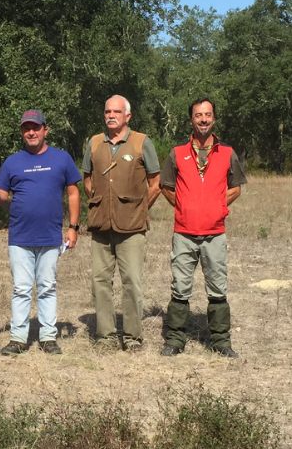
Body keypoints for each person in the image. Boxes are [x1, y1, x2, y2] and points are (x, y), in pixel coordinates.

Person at [0, 110, 81, 355]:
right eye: (26, 128)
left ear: (45, 130)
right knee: (21, 289)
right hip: (20, 237)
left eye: (35, 127)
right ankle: (18, 338)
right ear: (22, 133)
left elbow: (73, 193)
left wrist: (73, 227)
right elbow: (3, 196)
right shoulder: (13, 161)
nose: (31, 132)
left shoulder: (62, 158)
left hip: (50, 236)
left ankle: (48, 337)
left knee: (47, 287)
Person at [159, 97, 247, 358]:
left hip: (214, 233)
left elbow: (236, 187)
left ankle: (221, 342)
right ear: (191, 120)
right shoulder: (177, 153)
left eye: (208, 115)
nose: (203, 119)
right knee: (180, 289)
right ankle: (175, 340)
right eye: (198, 115)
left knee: (218, 288)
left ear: (214, 118)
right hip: (184, 233)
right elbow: (165, 186)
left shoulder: (227, 153)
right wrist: (184, 206)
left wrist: (219, 205)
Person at [82, 95, 161, 351]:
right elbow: (87, 180)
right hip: (100, 226)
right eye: (107, 111)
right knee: (100, 282)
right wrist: (101, 203)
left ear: (128, 116)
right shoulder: (94, 143)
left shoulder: (141, 142)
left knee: (132, 282)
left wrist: (138, 209)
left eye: (117, 111)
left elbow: (156, 183)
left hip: (132, 228)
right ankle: (105, 336)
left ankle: (132, 338)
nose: (111, 115)